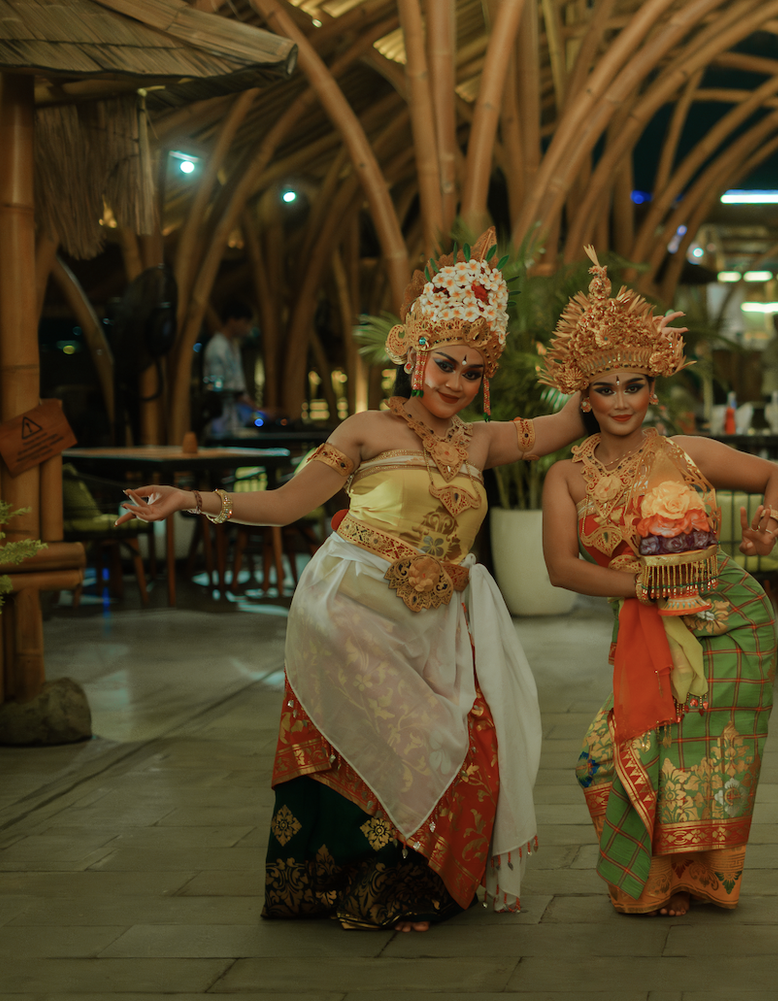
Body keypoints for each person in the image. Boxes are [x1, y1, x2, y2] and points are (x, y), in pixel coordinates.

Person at [118, 230, 587, 931]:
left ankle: (417, 882)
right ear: (416, 355)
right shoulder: (366, 429)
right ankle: (369, 887)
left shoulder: (481, 440)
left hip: (436, 620)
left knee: (463, 739)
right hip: (353, 611)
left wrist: (608, 356)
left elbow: (571, 420)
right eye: (445, 364)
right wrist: (192, 499)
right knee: (399, 742)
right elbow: (286, 504)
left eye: (471, 372)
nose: (455, 383)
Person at [539, 251, 778, 918]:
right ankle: (655, 875)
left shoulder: (686, 453)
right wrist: (640, 589)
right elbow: (561, 568)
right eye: (605, 388)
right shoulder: (566, 477)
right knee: (601, 759)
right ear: (584, 397)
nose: (621, 400)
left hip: (727, 617)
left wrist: (769, 525)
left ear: (653, 389)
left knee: (702, 754)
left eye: (634, 385)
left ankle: (687, 877)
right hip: (645, 624)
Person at [203, 302, 257, 438]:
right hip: (220, 422)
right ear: (232, 320)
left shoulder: (233, 346)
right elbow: (218, 387)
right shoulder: (217, 347)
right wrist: (251, 405)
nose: (248, 328)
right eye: (245, 322)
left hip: (235, 423)